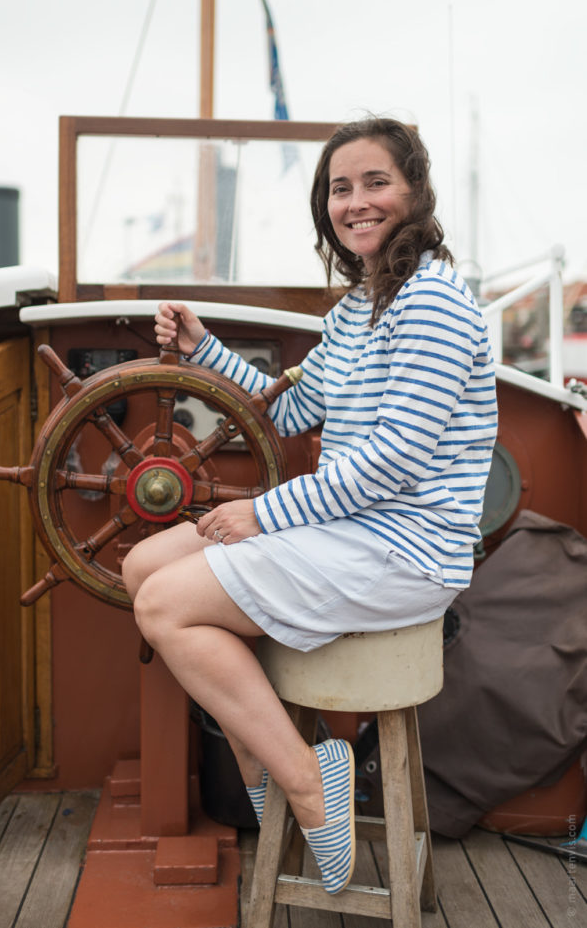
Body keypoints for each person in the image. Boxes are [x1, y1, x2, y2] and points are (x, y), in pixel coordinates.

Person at [122, 116, 498, 895]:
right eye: (340, 188)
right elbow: (289, 411)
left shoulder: (433, 301)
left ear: (415, 192)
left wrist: (263, 514)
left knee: (165, 605)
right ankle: (273, 756)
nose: (355, 201)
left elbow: (394, 459)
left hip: (408, 547)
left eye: (375, 183)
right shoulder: (361, 307)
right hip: (353, 529)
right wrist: (203, 346)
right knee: (142, 563)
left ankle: (301, 782)